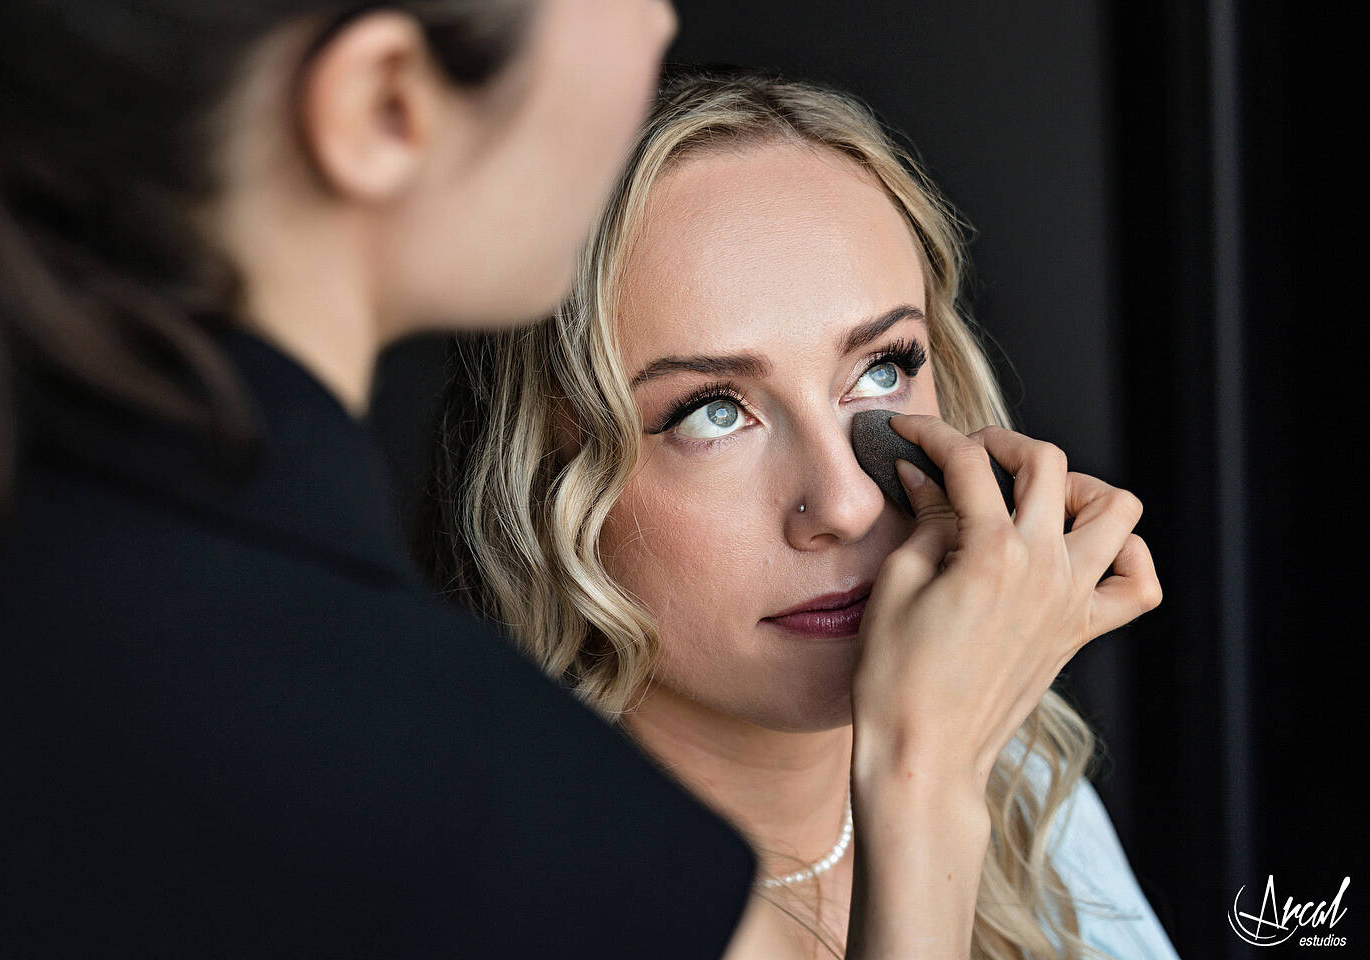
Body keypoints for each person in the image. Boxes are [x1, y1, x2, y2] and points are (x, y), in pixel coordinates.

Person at [0, 3, 771, 957]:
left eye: (887, 365)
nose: (661, 23)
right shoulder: (557, 843)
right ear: (386, 105)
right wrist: (925, 785)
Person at [418, 65, 1176, 959]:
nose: (848, 505)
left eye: (883, 369)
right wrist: (920, 790)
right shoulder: (492, 897)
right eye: (712, 411)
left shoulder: (1025, 793)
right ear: (544, 481)